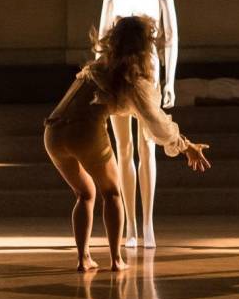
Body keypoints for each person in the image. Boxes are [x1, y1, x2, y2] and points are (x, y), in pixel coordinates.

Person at [44, 16, 210, 272]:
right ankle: (115, 259)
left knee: (85, 193)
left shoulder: (98, 65)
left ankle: (83, 258)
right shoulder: (131, 75)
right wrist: (185, 145)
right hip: (84, 132)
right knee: (111, 193)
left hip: (53, 132)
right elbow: (156, 122)